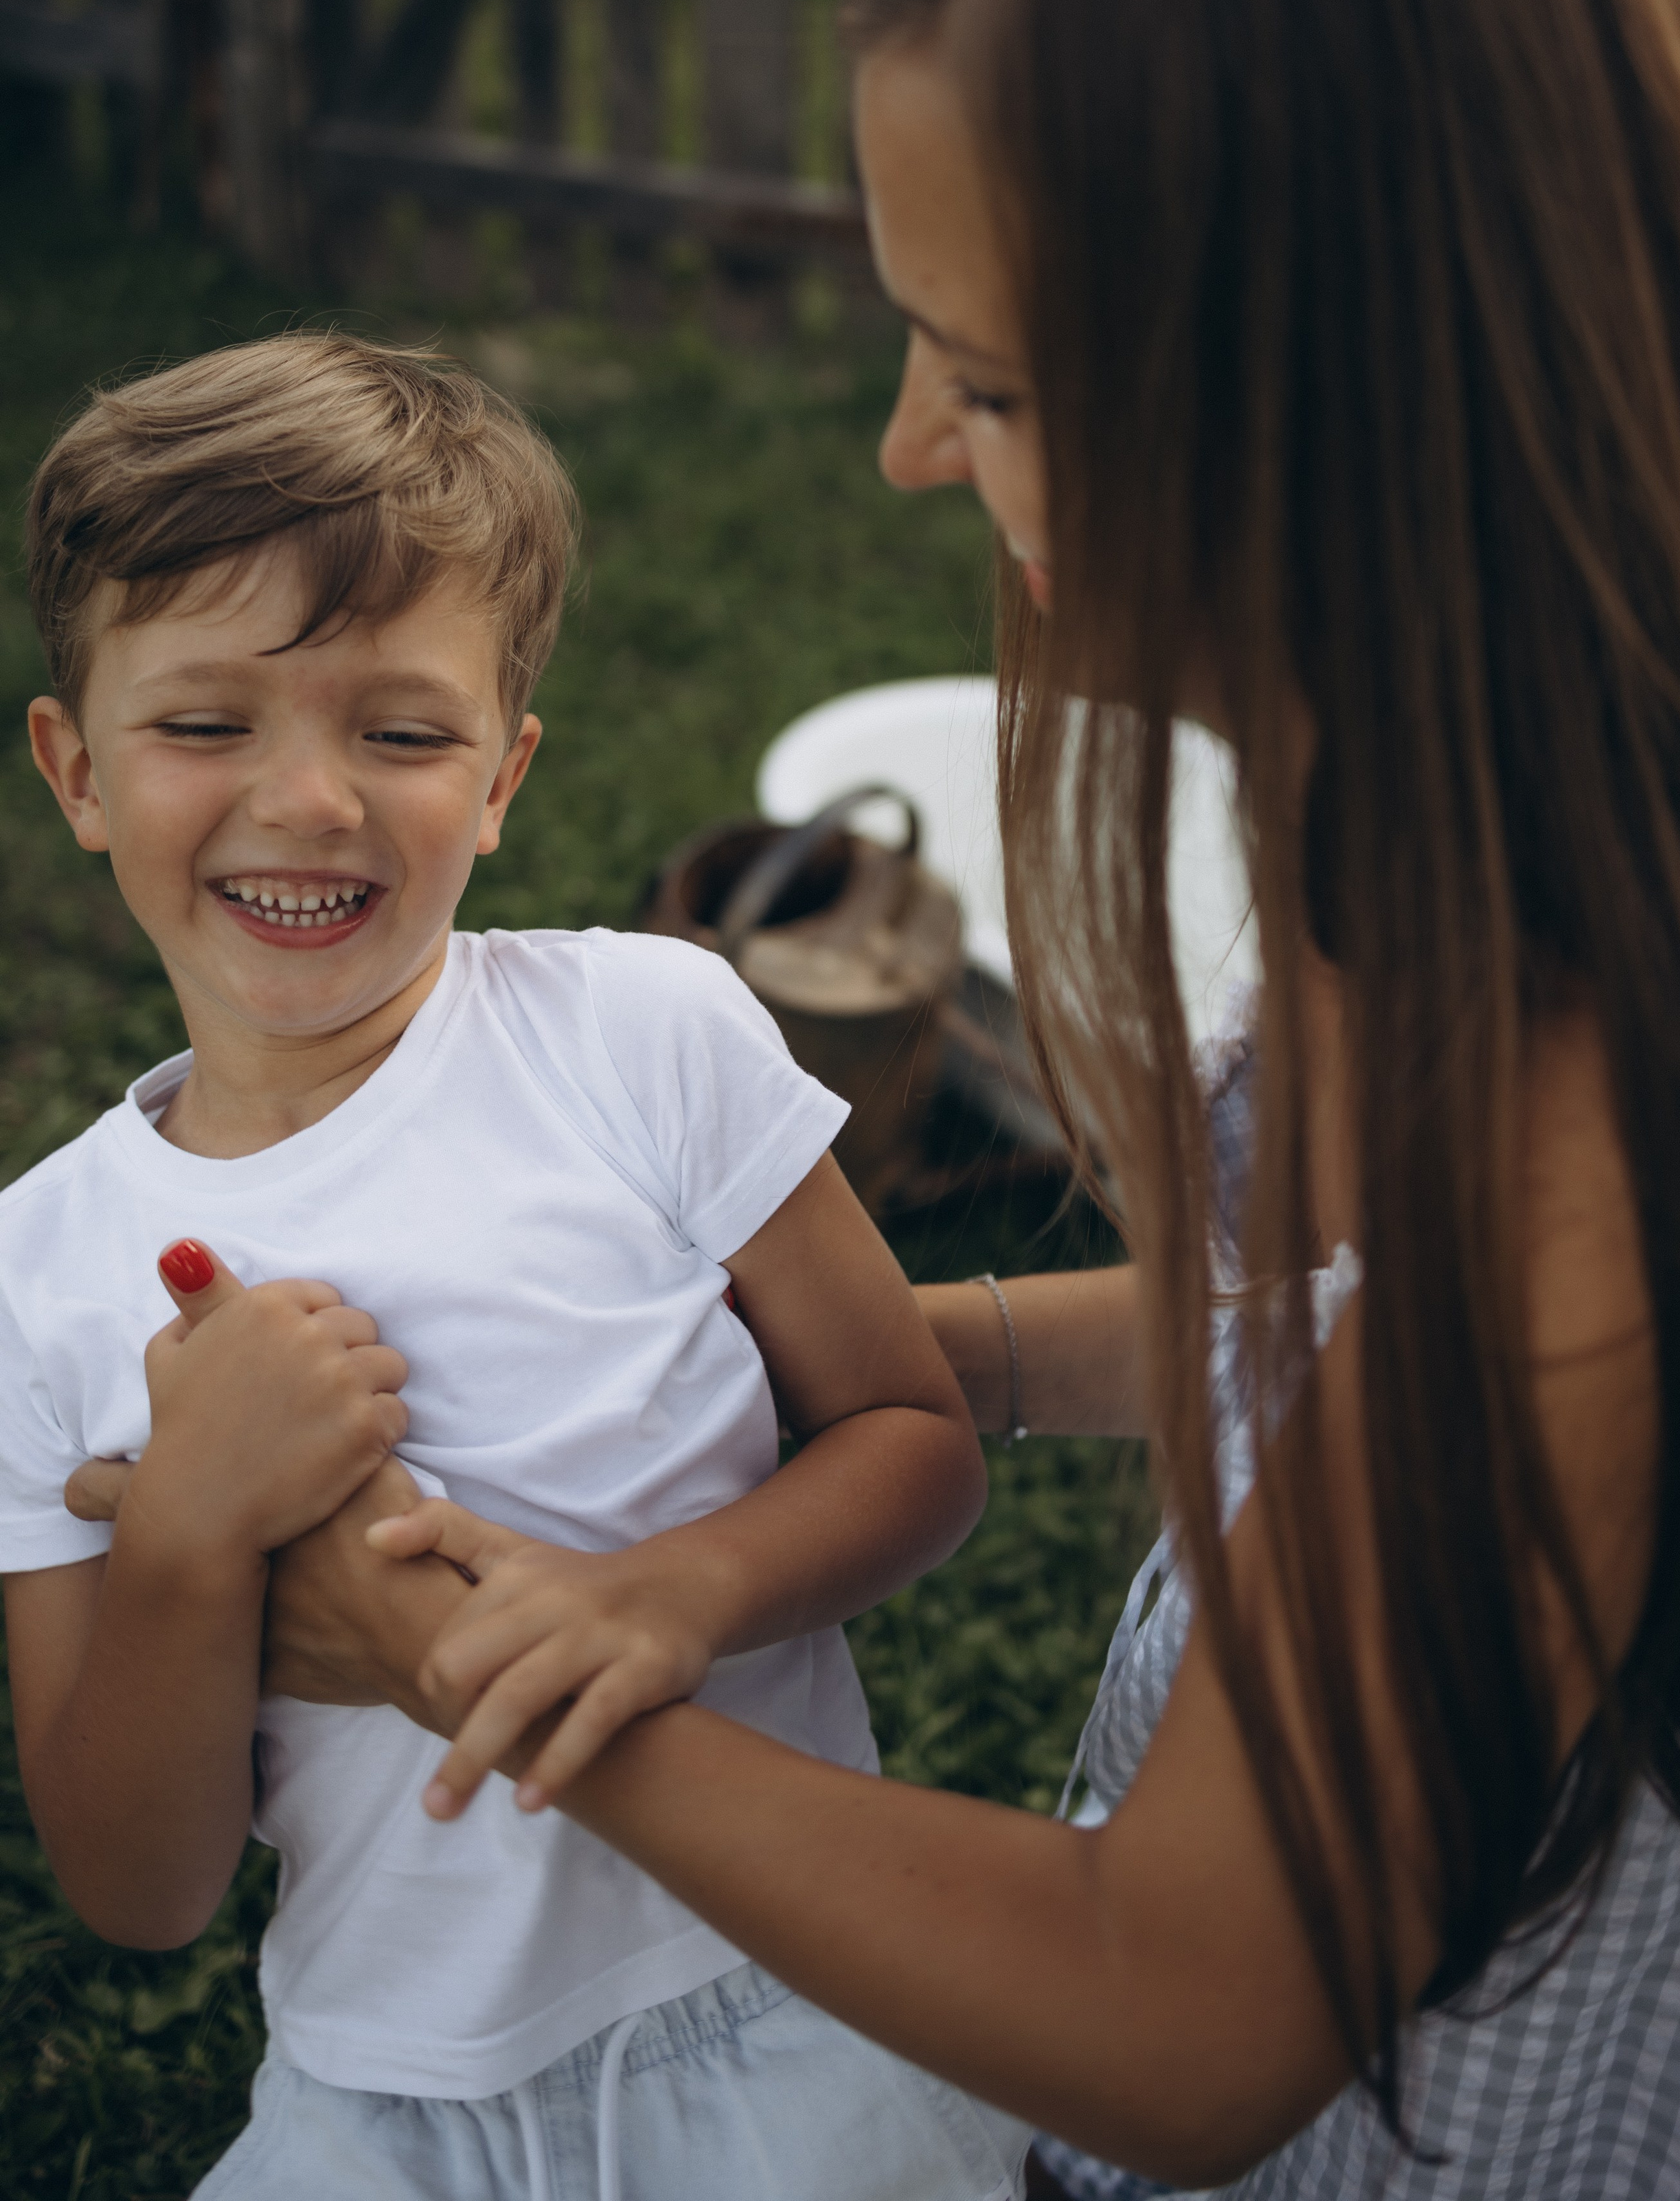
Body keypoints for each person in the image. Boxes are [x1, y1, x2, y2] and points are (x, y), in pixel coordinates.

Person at [185, 0, 1680, 2197]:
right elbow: (1355, 1334)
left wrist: (457, 1651)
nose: (911, 450)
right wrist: (909, 1353)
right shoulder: (1441, 809)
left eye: (991, 380)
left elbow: (1179, 2017)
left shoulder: (1628, 1072)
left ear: (1333, 383)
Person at [0, 330, 1030, 2201]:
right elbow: (138, 1890)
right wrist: (186, 1535)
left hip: (777, 1990)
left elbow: (910, 1431)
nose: (309, 801)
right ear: (76, 769)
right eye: (207, 723)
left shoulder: (642, 1034)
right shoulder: (34, 1272)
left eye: (400, 733)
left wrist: (674, 1600)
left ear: (501, 776)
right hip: (383, 2101)